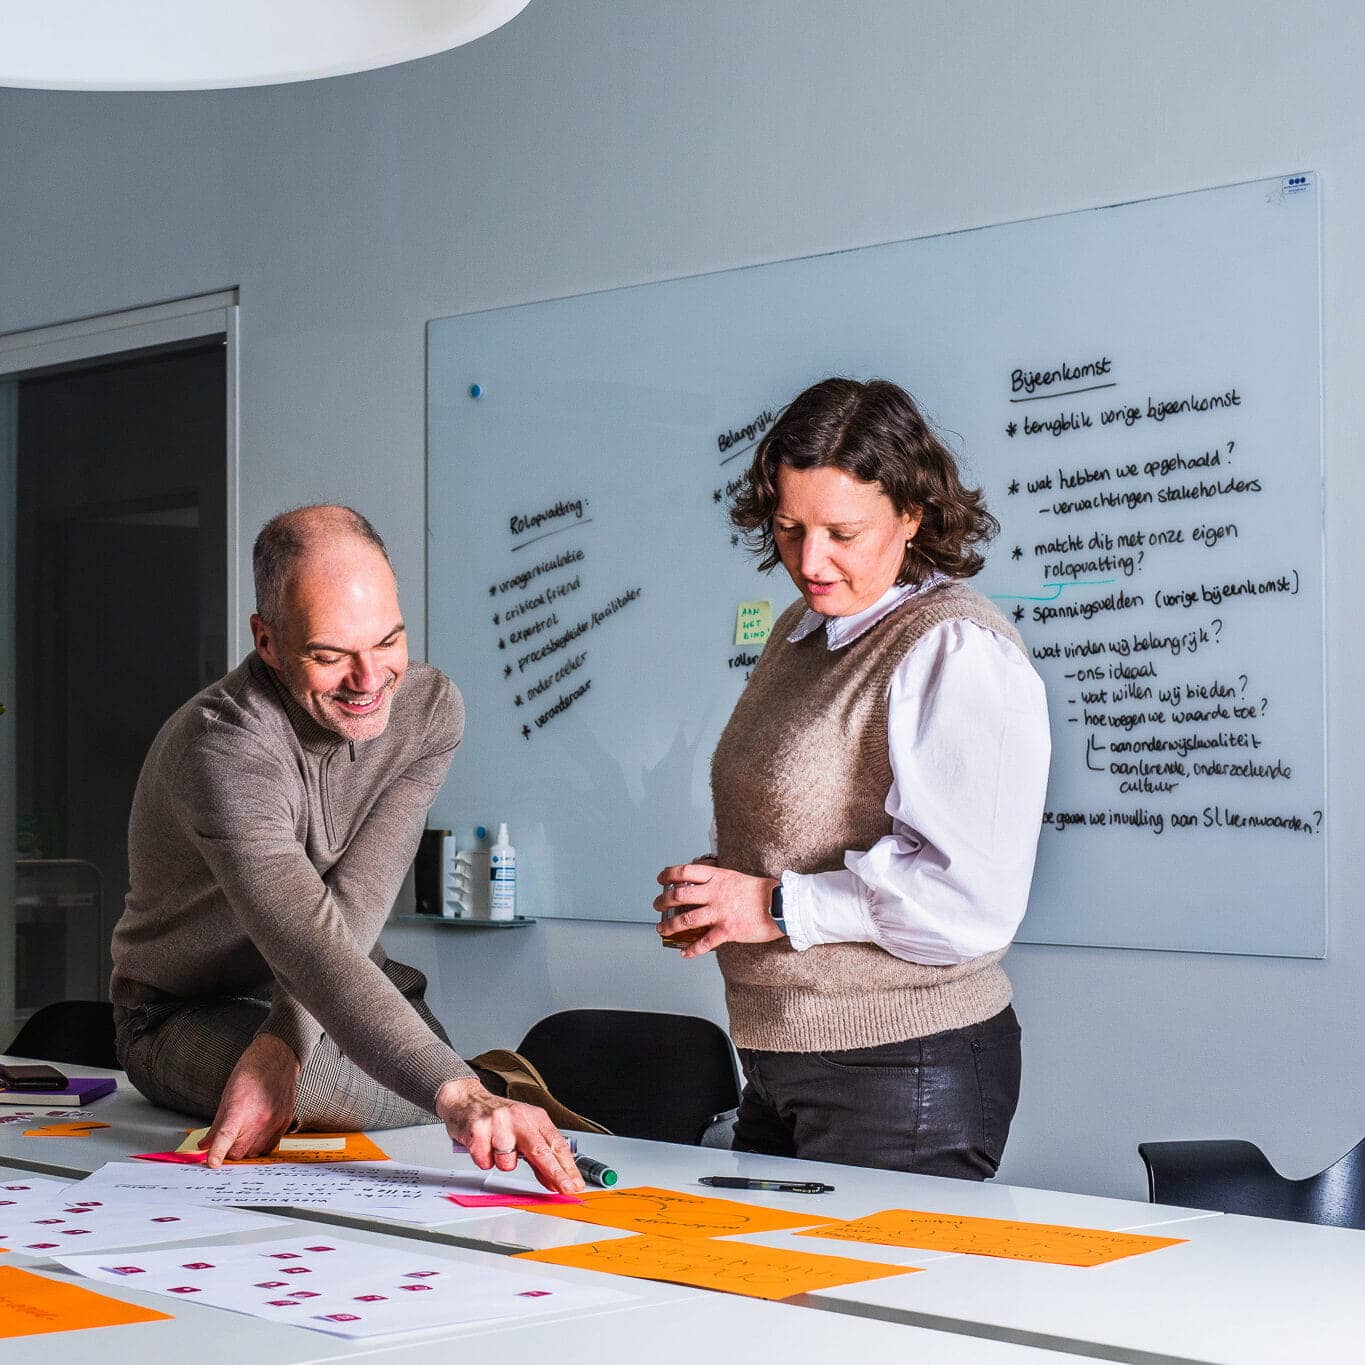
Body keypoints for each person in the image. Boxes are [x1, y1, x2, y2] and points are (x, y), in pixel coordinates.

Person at [111, 504, 590, 1192]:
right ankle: (484, 1080)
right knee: (351, 1082)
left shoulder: (427, 709)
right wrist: (456, 1090)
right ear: (267, 640)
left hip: (343, 984)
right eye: (330, 655)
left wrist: (285, 1036)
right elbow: (308, 942)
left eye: (388, 641)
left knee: (395, 1066)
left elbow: (357, 902)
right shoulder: (223, 746)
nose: (369, 680)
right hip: (185, 1014)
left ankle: (462, 1077)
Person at [655, 378, 1050, 1178]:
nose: (809, 560)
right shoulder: (803, 629)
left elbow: (966, 902)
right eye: (788, 528)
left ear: (912, 514)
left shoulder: (952, 647)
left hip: (903, 1065)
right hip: (781, 1055)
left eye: (842, 532)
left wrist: (773, 905)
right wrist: (723, 893)